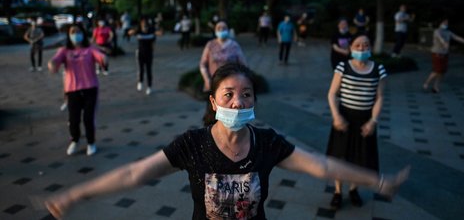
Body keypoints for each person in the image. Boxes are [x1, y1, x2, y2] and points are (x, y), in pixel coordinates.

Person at [44, 62, 409, 219]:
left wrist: (378, 180)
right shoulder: (192, 144)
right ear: (214, 101)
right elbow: (133, 175)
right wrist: (76, 194)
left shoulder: (267, 143)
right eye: (229, 94)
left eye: (247, 94)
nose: (239, 102)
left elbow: (322, 165)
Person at [326, 34, 387, 210]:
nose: (362, 49)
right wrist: (336, 116)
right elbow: (331, 94)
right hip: (344, 118)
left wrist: (373, 121)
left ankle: (354, 189)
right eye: (358, 45)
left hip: (365, 120)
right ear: (351, 47)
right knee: (340, 157)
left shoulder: (379, 69)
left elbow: (380, 97)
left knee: (360, 158)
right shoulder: (342, 67)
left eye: (366, 45)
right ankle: (338, 191)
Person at [48, 24, 107, 156]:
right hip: (72, 90)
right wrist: (52, 64)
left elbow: (100, 56)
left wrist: (104, 58)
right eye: (73, 32)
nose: (76, 34)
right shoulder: (64, 51)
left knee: (88, 118)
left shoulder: (90, 49)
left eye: (78, 31)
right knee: (73, 119)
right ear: (69, 35)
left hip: (90, 88)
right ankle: (75, 140)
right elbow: (55, 60)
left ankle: (91, 142)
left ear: (83, 33)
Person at [423, 18, 464, 93]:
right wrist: (444, 43)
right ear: (440, 23)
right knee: (437, 70)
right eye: (444, 23)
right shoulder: (437, 31)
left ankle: (436, 86)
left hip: (445, 54)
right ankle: (427, 82)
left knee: (442, 71)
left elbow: (457, 38)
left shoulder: (448, 32)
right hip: (437, 53)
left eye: (447, 23)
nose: (446, 24)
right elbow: (440, 38)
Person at [200, 20, 247, 92]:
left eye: (224, 28)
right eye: (219, 28)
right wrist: (207, 79)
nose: (221, 30)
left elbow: (243, 65)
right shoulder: (210, 45)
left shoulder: (234, 45)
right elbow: (203, 64)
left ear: (228, 30)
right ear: (215, 30)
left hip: (231, 85)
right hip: (213, 84)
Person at [128, 17, 159, 95]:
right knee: (141, 69)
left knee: (149, 70)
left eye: (145, 23)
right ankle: (140, 81)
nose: (144, 24)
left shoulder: (151, 31)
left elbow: (157, 37)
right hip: (140, 53)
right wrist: (134, 31)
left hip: (149, 53)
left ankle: (149, 87)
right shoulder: (138, 31)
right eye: (142, 22)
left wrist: (158, 31)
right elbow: (129, 33)